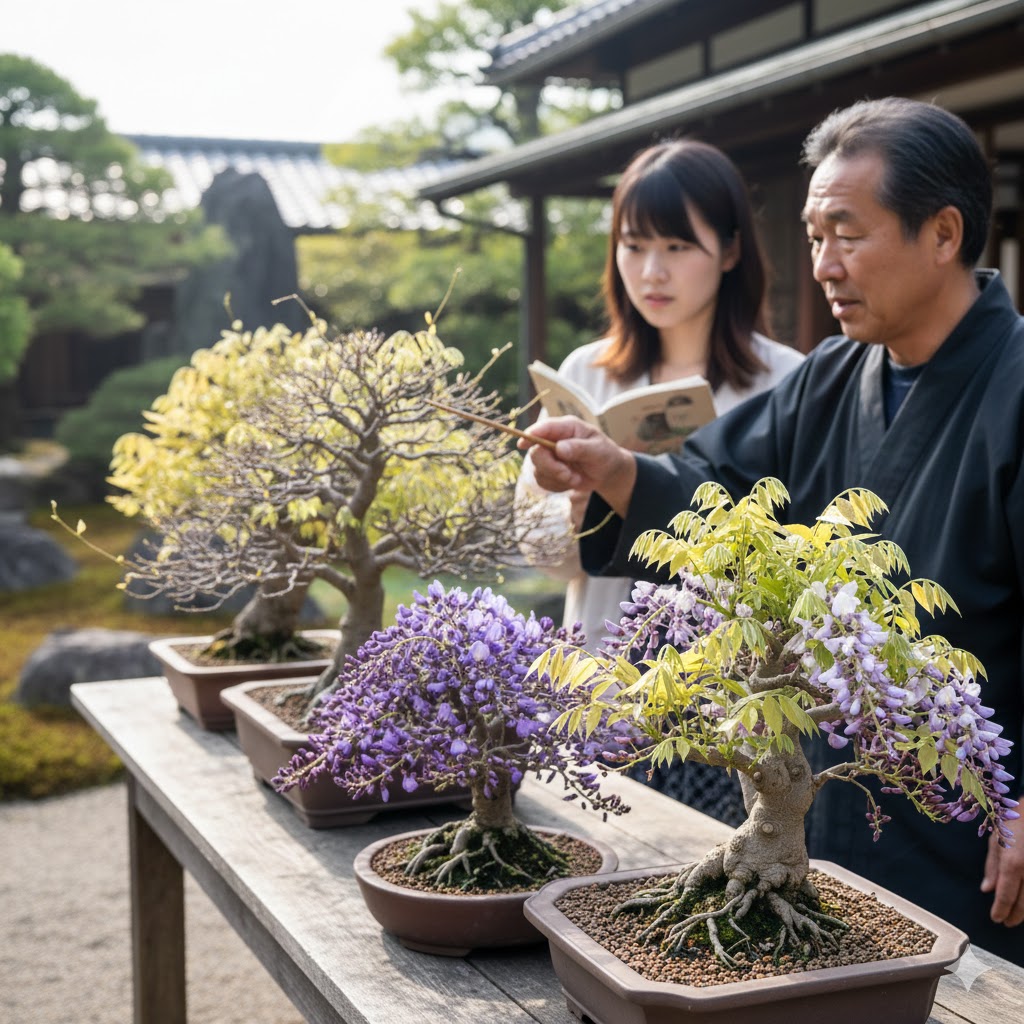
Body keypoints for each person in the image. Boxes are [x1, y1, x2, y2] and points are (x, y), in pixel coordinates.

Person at [518, 97, 1024, 963]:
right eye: (813, 234)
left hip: (969, 816)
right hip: (829, 791)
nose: (823, 264)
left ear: (943, 234)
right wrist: (613, 471)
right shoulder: (832, 377)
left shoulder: (1014, 390)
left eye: (846, 234)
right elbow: (717, 496)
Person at [516, 139, 804, 653]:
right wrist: (574, 507)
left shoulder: (786, 381)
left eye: (676, 247)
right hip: (604, 681)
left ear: (731, 250)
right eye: (633, 245)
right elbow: (541, 553)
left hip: (735, 691)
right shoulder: (586, 371)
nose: (652, 272)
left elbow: (800, 558)